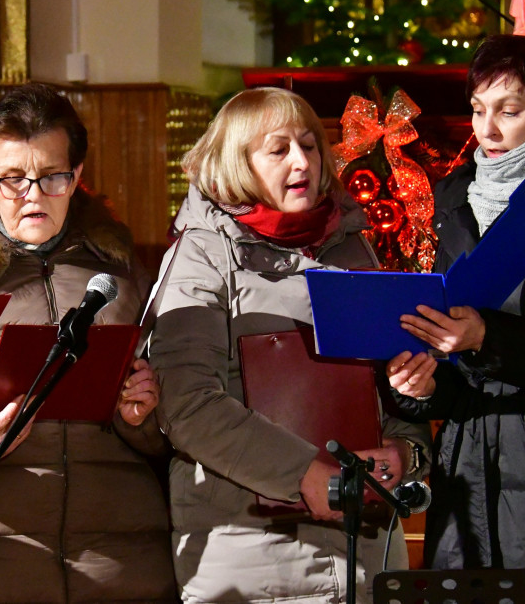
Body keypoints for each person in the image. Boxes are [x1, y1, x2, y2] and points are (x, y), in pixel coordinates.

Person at [0, 83, 175, 603]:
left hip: (121, 565)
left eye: (53, 177)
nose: (34, 195)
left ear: (78, 176)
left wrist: (143, 419)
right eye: (14, 179)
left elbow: (165, 430)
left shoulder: (120, 271)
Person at [149, 87, 432, 603]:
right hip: (251, 554)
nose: (301, 160)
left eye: (309, 145)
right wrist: (301, 473)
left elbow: (386, 380)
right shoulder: (200, 255)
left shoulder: (352, 244)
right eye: (278, 150)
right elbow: (186, 403)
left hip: (366, 552)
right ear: (239, 164)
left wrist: (404, 449)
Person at [387, 34, 525, 569]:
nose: (487, 130)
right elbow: (456, 376)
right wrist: (424, 387)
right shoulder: (456, 200)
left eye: (509, 110)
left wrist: (486, 337)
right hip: (466, 481)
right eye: (478, 110)